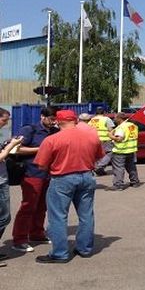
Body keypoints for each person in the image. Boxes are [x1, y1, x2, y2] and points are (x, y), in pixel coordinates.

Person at [33, 109, 104, 263]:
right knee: (86, 215)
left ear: (58, 121)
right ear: (75, 120)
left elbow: (40, 165)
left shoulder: (52, 139)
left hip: (62, 178)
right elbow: (99, 156)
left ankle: (60, 253)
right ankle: (84, 249)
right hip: (86, 176)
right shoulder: (92, 136)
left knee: (58, 217)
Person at [11, 106, 58, 253]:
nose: (53, 122)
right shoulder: (29, 130)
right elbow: (16, 149)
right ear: (42, 117)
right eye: (50, 119)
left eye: (55, 120)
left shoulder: (56, 131)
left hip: (49, 175)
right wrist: (41, 148)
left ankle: (37, 233)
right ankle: (19, 239)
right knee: (28, 206)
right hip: (32, 173)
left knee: (42, 206)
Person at [0, 108, 23, 267]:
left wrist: (7, 144)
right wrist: (11, 146)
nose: (6, 123)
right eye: (4, 120)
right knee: (3, 217)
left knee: (4, 216)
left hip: (2, 179)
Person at [106, 113, 140, 191]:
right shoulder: (133, 126)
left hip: (120, 150)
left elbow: (119, 139)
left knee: (118, 168)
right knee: (131, 167)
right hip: (131, 150)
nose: (114, 119)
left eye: (115, 118)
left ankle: (118, 185)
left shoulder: (121, 127)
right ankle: (135, 182)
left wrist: (110, 135)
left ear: (119, 118)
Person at [88, 107, 115, 176]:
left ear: (96, 113)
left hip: (93, 140)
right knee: (110, 153)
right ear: (104, 112)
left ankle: (99, 170)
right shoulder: (106, 119)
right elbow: (111, 130)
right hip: (105, 139)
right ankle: (99, 167)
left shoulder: (91, 120)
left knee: (97, 156)